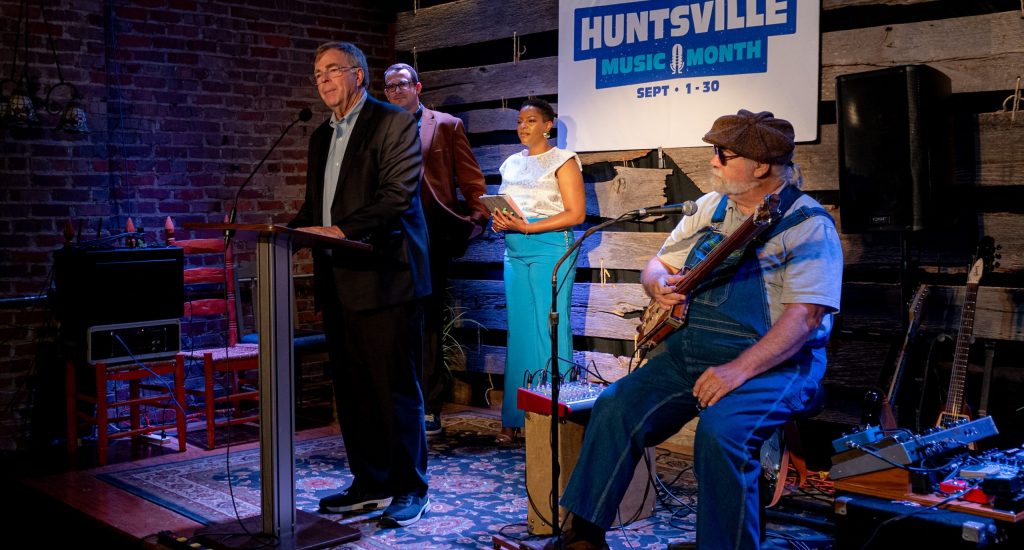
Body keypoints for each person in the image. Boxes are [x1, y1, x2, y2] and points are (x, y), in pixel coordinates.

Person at [552, 110, 843, 549]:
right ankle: (584, 537)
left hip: (776, 365)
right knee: (615, 407)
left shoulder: (807, 226)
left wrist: (737, 371)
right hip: (692, 354)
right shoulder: (711, 207)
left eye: (721, 155)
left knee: (722, 433)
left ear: (760, 166)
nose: (712, 161)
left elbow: (804, 318)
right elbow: (659, 263)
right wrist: (657, 285)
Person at [289, 42, 431, 528]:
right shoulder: (318, 139)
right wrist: (285, 235)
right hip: (338, 278)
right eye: (317, 73)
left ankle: (410, 487)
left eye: (332, 70)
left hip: (387, 276)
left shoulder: (392, 122)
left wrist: (342, 230)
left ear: (359, 76)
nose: (323, 80)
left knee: (393, 388)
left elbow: (397, 197)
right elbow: (315, 209)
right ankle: (369, 483)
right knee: (351, 391)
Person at [382, 62, 490, 437]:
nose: (395, 92)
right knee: (393, 322)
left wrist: (478, 216)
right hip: (388, 236)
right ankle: (397, 404)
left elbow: (470, 177)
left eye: (401, 85)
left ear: (418, 87)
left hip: (430, 234)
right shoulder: (378, 128)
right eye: (389, 87)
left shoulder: (445, 124)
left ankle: (430, 406)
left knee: (428, 322)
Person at [491, 98, 586, 445]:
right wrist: (502, 221)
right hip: (515, 250)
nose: (523, 127)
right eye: (519, 121)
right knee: (520, 331)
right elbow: (512, 207)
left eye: (531, 120)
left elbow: (576, 214)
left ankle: (554, 414)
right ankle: (514, 416)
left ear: (548, 125)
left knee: (550, 328)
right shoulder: (511, 163)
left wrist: (529, 227)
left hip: (550, 249)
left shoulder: (563, 160)